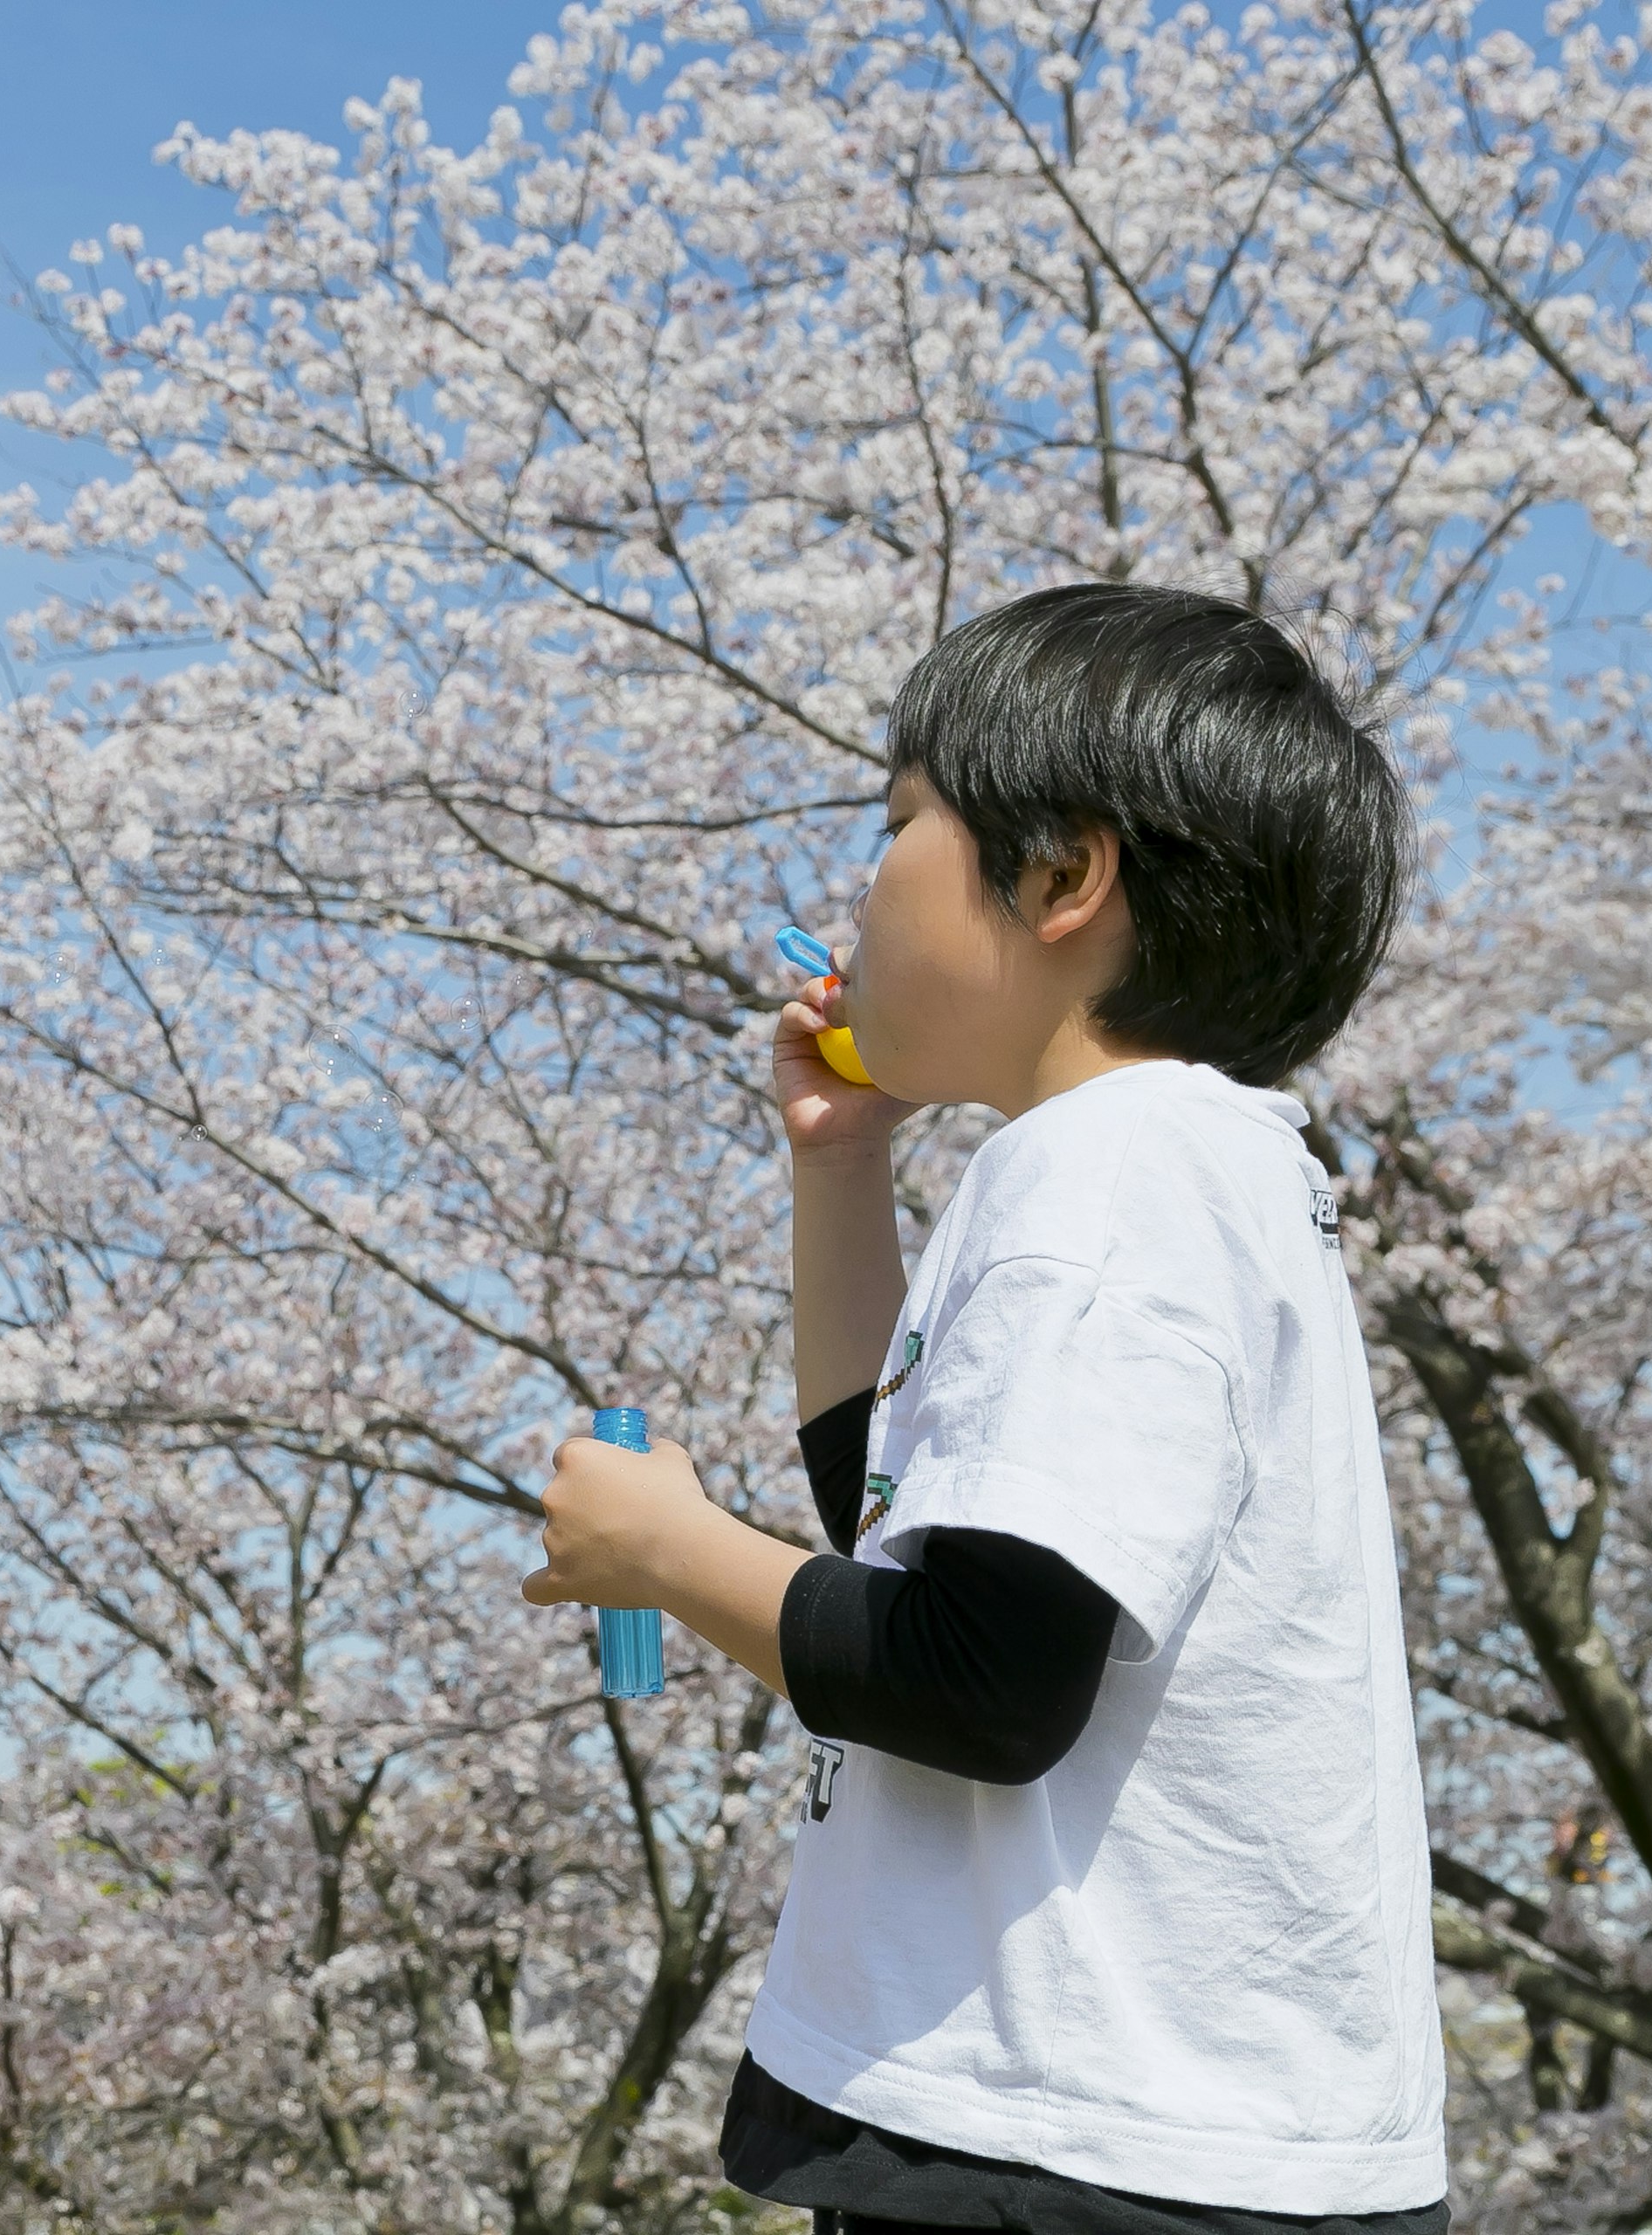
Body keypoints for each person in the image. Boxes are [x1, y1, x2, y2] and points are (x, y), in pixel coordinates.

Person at [520, 582, 1449, 2232]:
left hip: (1073, 2154)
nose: (859, 888)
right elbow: (902, 1530)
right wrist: (843, 1165)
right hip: (1175, 2143)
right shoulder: (1202, 1164)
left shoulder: (1108, 1169)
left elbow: (979, 1684)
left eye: (899, 823)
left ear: (1063, 873)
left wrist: (669, 1554)